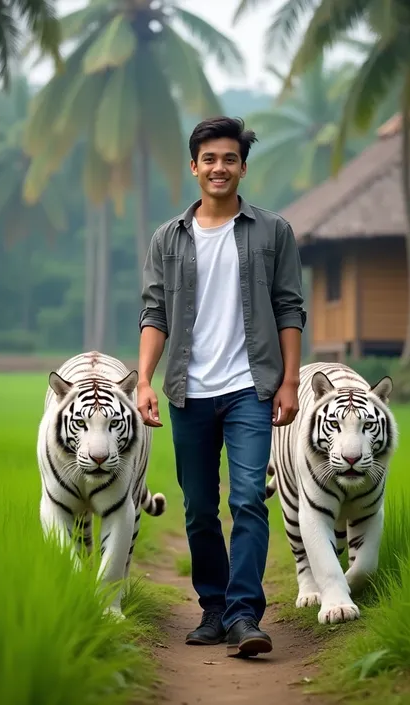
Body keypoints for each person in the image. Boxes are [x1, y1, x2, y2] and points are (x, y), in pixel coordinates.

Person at [137, 116, 306, 659]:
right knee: (199, 507)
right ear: (194, 166)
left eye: (229, 159)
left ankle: (243, 615)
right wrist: (143, 378)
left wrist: (290, 380)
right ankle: (213, 607)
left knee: (248, 500)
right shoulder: (169, 237)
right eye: (209, 159)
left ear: (242, 167)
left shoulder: (272, 231)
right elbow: (155, 312)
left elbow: (288, 306)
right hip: (189, 389)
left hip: (251, 387)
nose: (219, 168)